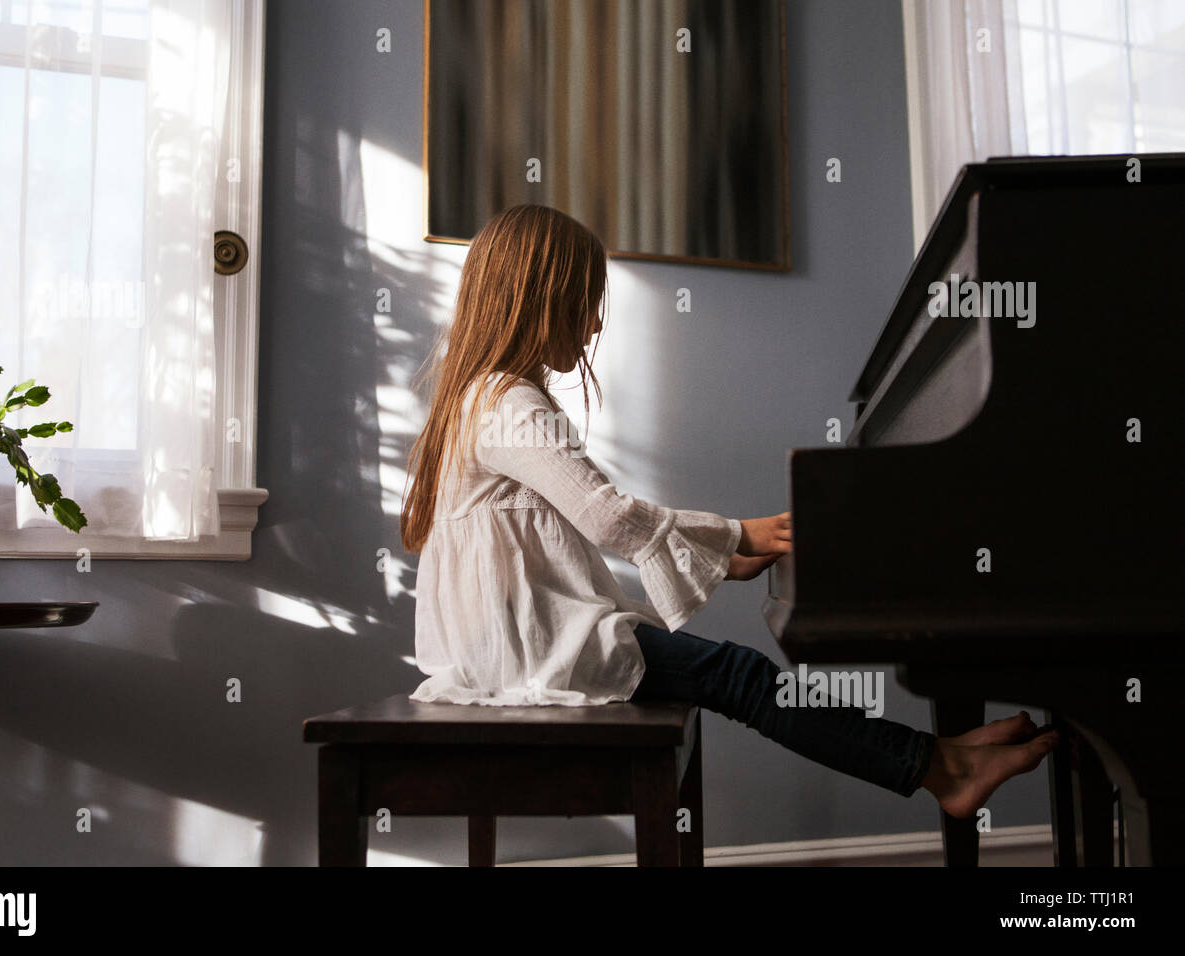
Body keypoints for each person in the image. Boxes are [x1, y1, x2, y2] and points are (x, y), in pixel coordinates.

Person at [400, 203, 1058, 819]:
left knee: (733, 674)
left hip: (507, 646)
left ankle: (944, 756)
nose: (594, 323)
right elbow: (606, 516)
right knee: (738, 675)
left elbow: (581, 524)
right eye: (584, 303)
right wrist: (735, 531)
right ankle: (942, 770)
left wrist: (720, 558)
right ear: (539, 300)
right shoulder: (510, 404)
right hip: (524, 663)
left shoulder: (481, 398)